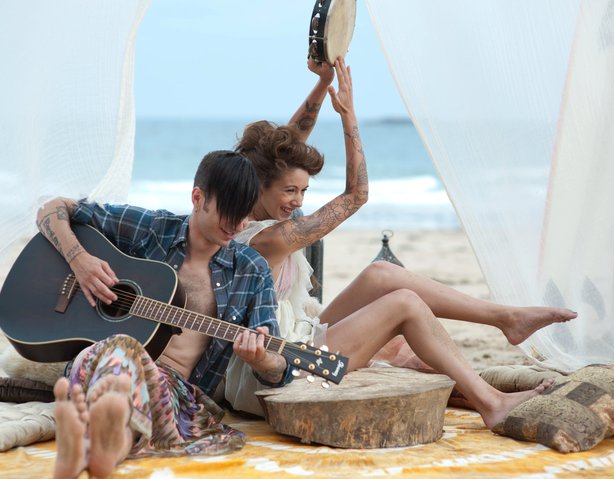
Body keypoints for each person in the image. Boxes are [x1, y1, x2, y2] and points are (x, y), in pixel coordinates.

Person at [224, 57, 577, 425]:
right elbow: (356, 196)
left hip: (295, 335)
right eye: (290, 191)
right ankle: (492, 403)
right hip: (278, 368)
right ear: (258, 183)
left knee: (381, 274)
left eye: (303, 190)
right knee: (405, 304)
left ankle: (506, 317)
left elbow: (280, 150)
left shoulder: (245, 208)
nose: (297, 201)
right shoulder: (270, 238)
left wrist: (324, 82)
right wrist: (348, 115)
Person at [36, 151, 293, 479]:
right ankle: (103, 444)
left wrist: (262, 359)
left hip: (172, 388)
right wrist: (79, 260)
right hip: (102, 359)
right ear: (198, 198)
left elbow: (279, 368)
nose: (238, 226)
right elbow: (52, 208)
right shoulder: (152, 230)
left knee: (131, 387)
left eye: (244, 215)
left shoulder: (251, 270)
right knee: (121, 354)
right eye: (229, 212)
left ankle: (99, 448)